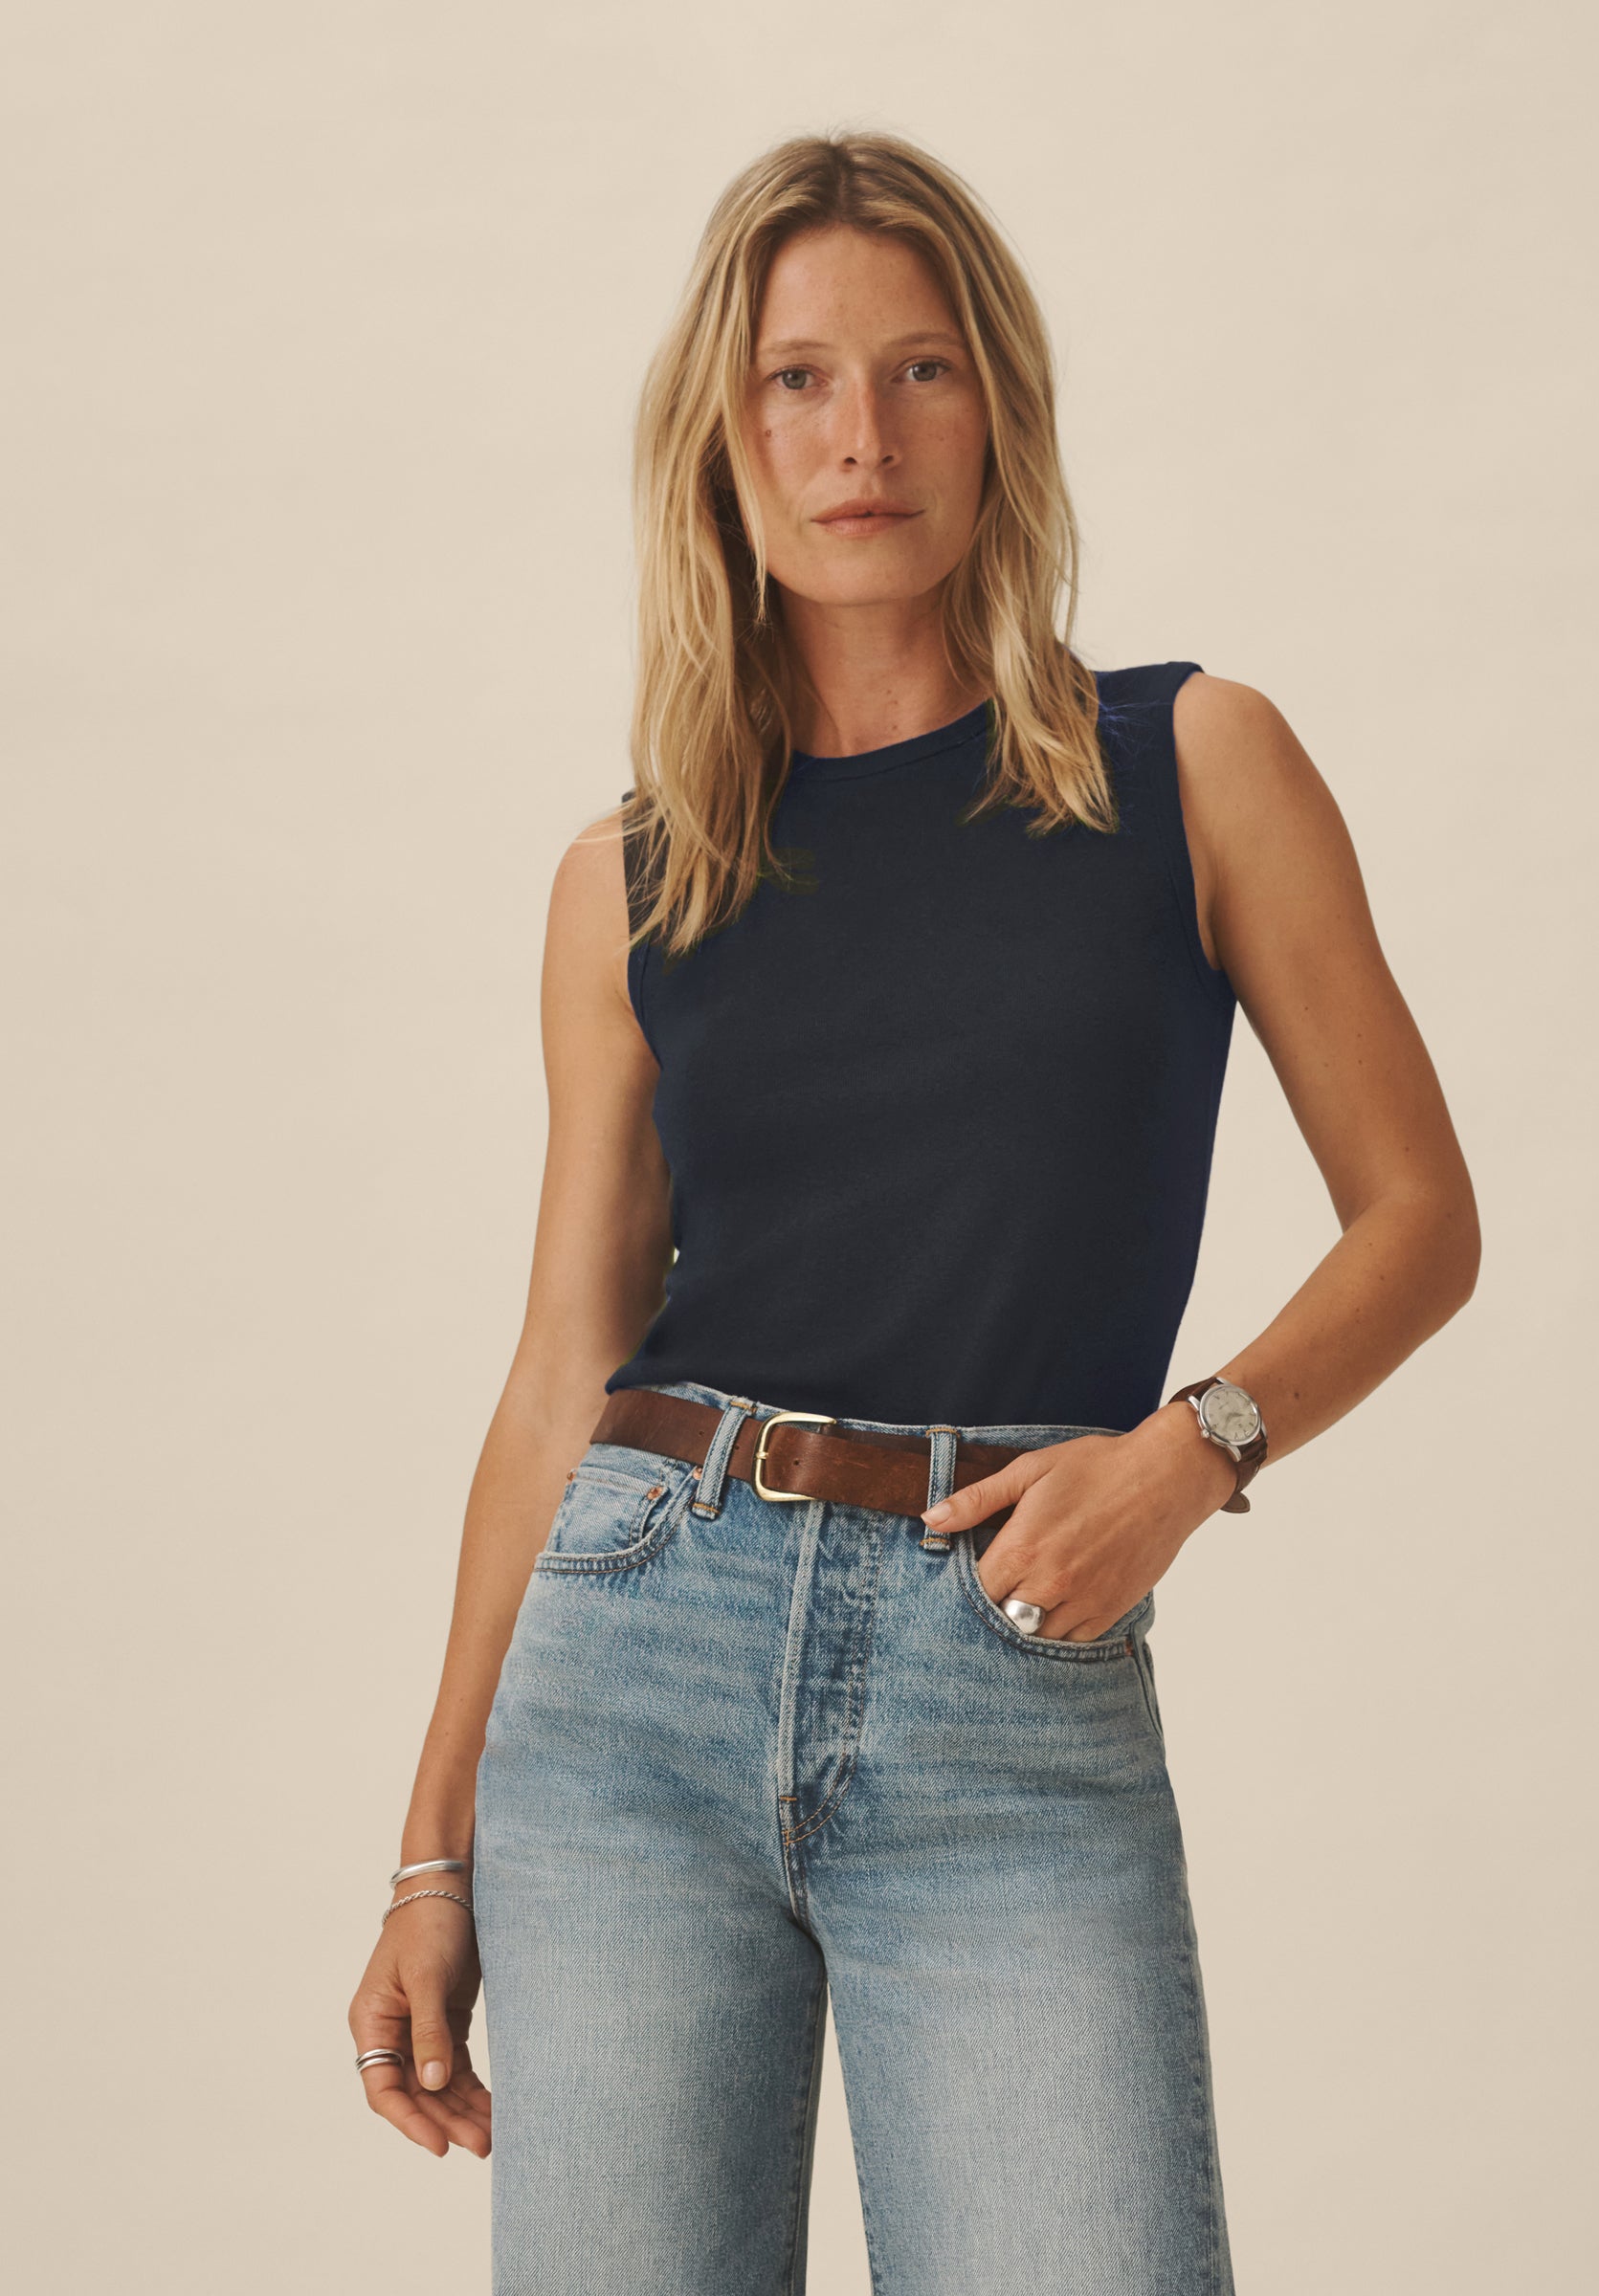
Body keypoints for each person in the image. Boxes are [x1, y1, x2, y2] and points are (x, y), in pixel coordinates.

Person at [347, 129, 1480, 2295]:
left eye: (920, 369)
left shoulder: (1191, 764)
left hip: (1009, 1676)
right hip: (636, 1664)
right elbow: (560, 1370)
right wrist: (432, 1851)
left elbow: (1420, 1216)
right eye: (797, 379)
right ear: (723, 434)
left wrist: (1193, 1454)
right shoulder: (631, 879)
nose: (859, 435)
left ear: (1000, 412)